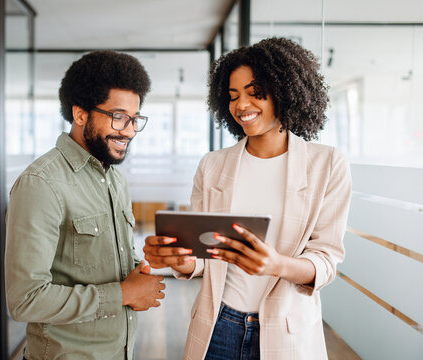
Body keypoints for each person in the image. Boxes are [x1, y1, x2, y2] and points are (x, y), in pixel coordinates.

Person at [144, 37, 352, 360]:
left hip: (286, 330)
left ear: (285, 91)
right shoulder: (212, 166)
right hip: (219, 327)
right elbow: (204, 256)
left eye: (255, 92)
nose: (241, 105)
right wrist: (180, 260)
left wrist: (276, 264)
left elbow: (326, 260)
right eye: (233, 96)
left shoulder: (327, 165)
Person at [5, 50, 166, 360]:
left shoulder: (114, 179)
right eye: (118, 117)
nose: (129, 130)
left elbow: (111, 263)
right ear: (80, 115)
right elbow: (24, 300)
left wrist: (142, 268)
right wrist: (124, 294)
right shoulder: (41, 184)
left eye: (135, 119)